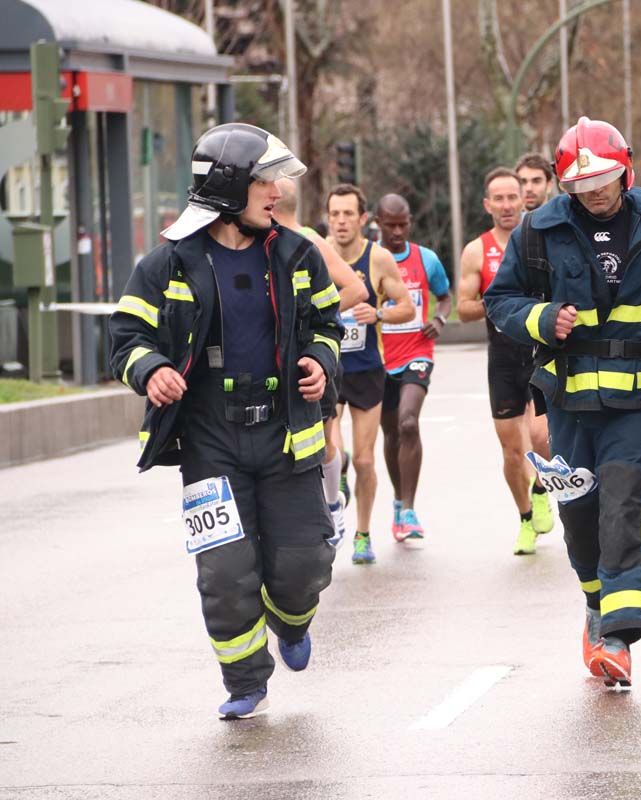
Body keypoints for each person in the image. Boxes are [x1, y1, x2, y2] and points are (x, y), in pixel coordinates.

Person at [110, 123, 341, 719]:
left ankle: (291, 622)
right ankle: (244, 681)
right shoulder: (167, 263)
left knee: (305, 562)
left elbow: (328, 327)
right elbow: (125, 339)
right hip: (209, 437)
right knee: (225, 572)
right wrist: (151, 369)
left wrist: (318, 359)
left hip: (288, 432)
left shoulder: (298, 253)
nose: (278, 195)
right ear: (230, 186)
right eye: (267, 183)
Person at [485, 116, 641, 688]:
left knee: (623, 498)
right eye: (582, 187)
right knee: (579, 514)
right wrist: (540, 318)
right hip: (568, 403)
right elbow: (501, 299)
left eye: (605, 182)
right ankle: (596, 602)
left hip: (637, 401)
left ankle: (619, 633)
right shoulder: (539, 231)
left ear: (625, 171)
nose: (595, 194)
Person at [457, 167, 556, 554]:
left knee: (539, 436)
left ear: (523, 199)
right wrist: (499, 301)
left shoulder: (538, 240)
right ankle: (527, 517)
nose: (506, 205)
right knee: (512, 451)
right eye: (497, 198)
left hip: (538, 352)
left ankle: (543, 483)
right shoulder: (476, 250)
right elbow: (464, 309)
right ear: (487, 205)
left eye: (512, 196)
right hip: (502, 359)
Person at [272, 176, 368, 550]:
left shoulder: (309, 241)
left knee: (326, 435)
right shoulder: (260, 242)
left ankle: (331, 504)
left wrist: (309, 317)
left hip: (317, 353)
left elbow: (356, 289)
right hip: (281, 360)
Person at [325, 184, 416, 565]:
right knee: (332, 452)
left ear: (363, 219)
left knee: (364, 459)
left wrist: (377, 314)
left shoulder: (377, 259)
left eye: (349, 214)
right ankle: (335, 487)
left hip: (365, 369)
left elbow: (407, 308)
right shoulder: (317, 253)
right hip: (327, 366)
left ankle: (362, 533)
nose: (342, 221)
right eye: (335, 214)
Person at [376, 193, 453, 544]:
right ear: (377, 223)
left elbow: (445, 295)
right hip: (378, 359)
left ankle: (408, 509)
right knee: (391, 433)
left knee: (409, 422)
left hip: (416, 352)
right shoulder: (370, 260)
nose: (396, 231)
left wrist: (439, 317)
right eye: (389, 225)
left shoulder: (426, 259)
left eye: (402, 224)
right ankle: (397, 501)